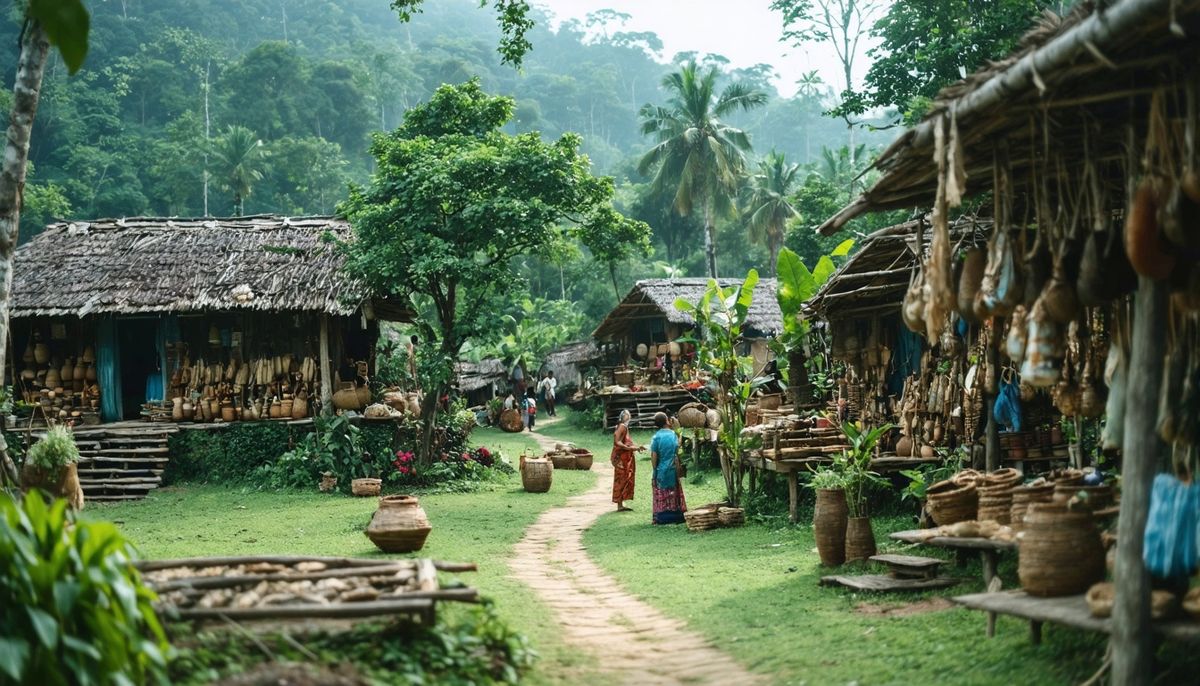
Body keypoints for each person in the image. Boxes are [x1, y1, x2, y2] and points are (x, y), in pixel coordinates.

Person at [649, 412, 687, 524]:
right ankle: (676, 515)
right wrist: (679, 435)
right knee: (673, 492)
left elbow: (654, 456)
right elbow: (677, 448)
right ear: (666, 421)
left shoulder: (656, 437)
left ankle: (661, 517)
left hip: (661, 470)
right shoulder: (673, 435)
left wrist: (655, 470)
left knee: (661, 492)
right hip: (673, 468)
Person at [611, 409, 642, 512]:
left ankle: (621, 503)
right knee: (621, 479)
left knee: (625, 478)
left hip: (625, 457)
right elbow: (617, 441)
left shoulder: (624, 427)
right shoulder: (622, 427)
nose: (628, 416)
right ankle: (619, 504)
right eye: (625, 415)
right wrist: (628, 448)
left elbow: (626, 442)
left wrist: (636, 447)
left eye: (628, 415)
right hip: (621, 458)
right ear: (622, 417)